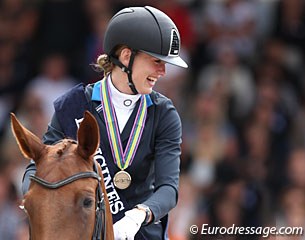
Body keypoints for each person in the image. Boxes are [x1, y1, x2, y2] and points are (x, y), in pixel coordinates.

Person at [21, 5, 188, 240]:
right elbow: (35, 167)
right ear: (127, 56)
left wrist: (137, 216)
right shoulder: (74, 105)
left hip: (140, 233)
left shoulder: (164, 114)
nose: (162, 71)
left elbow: (168, 189)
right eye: (155, 61)